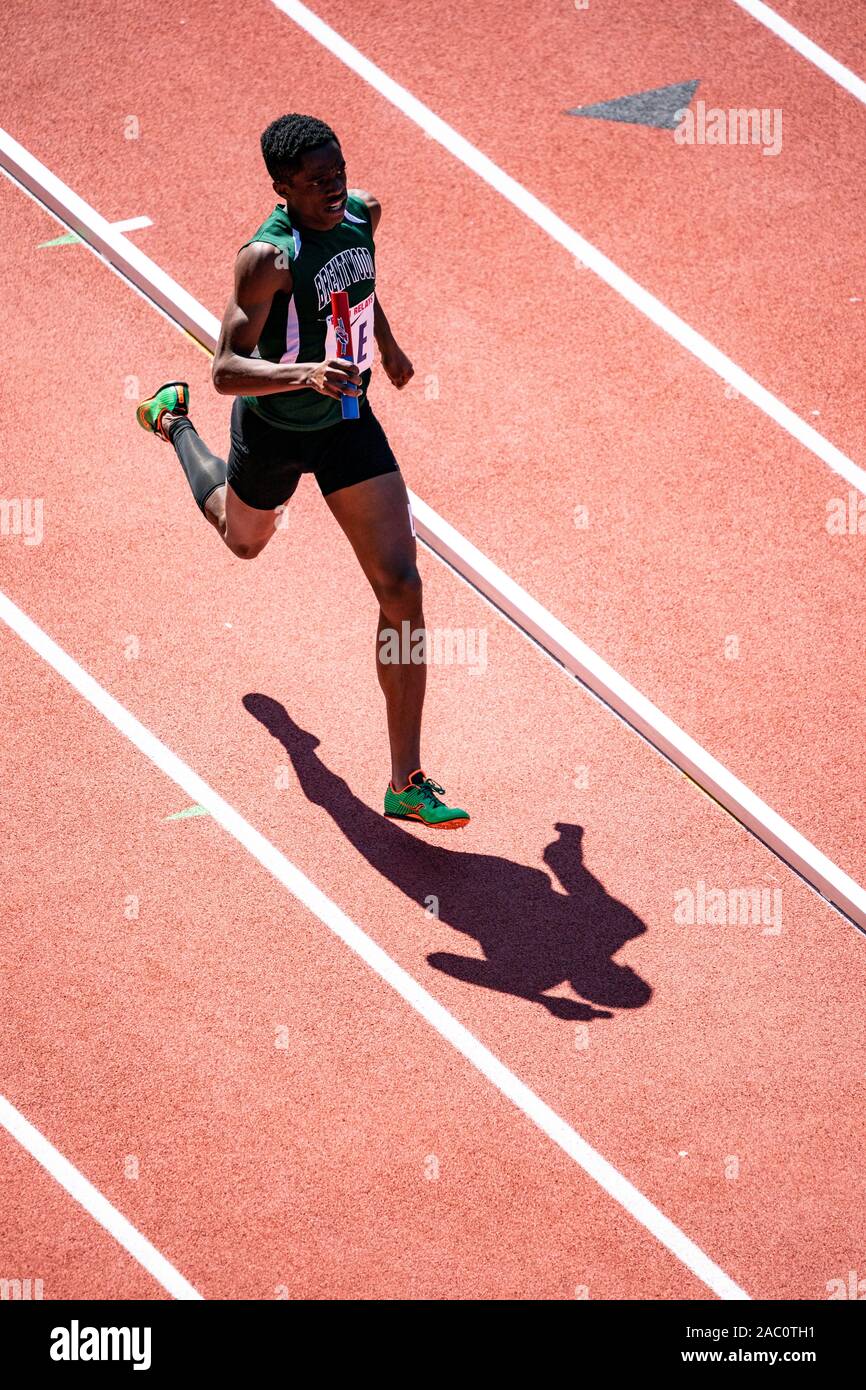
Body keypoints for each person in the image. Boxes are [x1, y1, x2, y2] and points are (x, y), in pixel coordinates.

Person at [136, 113, 468, 828]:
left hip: (346, 425)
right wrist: (305, 374)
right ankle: (173, 422)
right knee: (243, 539)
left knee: (402, 586)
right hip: (277, 425)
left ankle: (405, 778)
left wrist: (391, 344)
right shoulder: (267, 259)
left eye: (339, 173)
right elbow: (225, 368)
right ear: (282, 187)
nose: (334, 189)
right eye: (317, 182)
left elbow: (357, 286)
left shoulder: (361, 214)